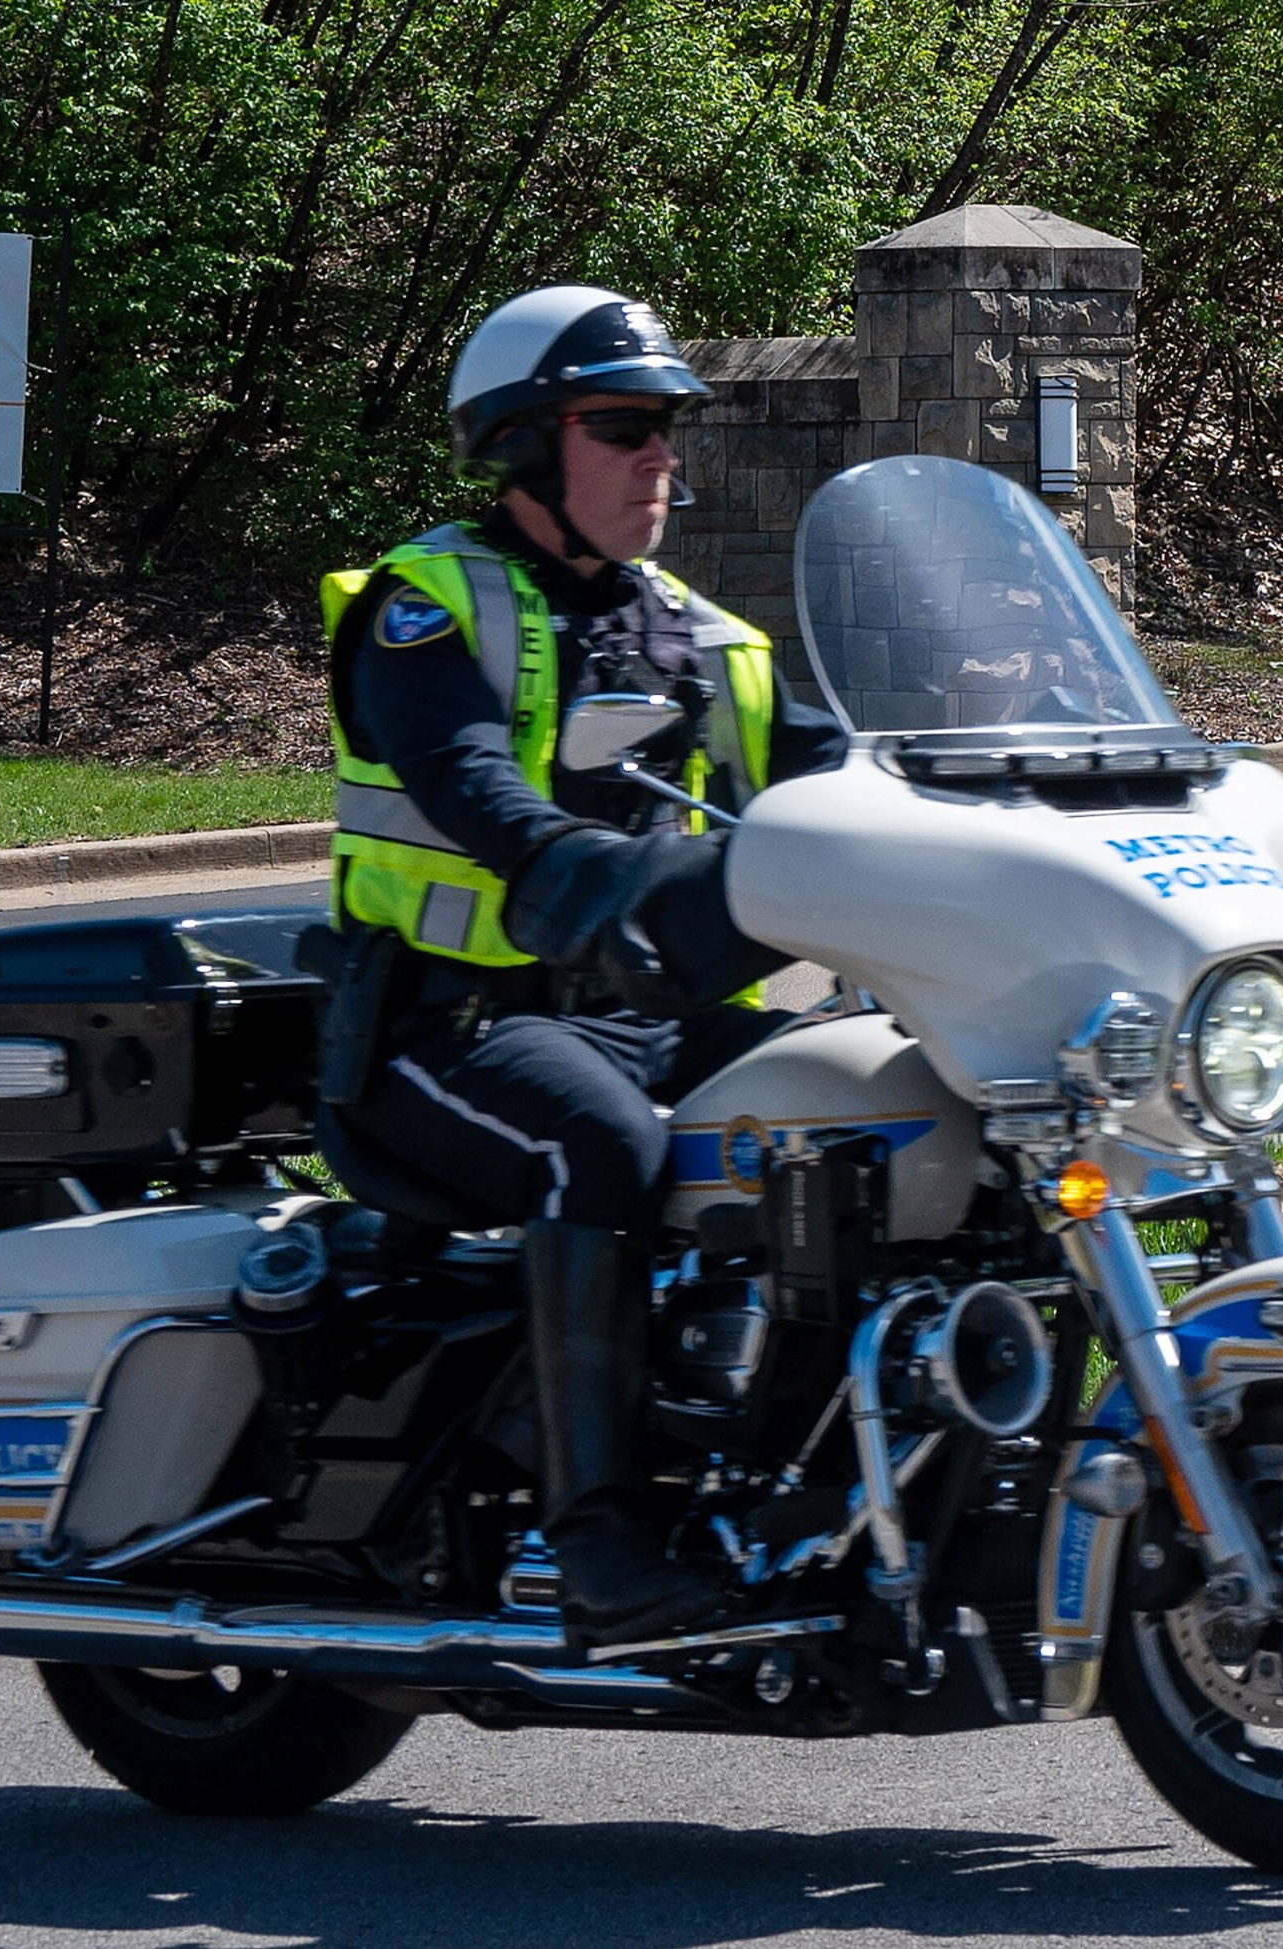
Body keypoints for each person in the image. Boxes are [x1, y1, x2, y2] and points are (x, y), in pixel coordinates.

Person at [316, 285, 846, 1646]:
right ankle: (601, 1539)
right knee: (598, 1149)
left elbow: (842, 785)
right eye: (622, 424)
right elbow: (465, 778)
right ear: (523, 447)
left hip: (651, 1017)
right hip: (449, 1033)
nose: (660, 453)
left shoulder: (705, 637)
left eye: (666, 425)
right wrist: (571, 868)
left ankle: (804, 1483)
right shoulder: (426, 608)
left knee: (870, 1112)